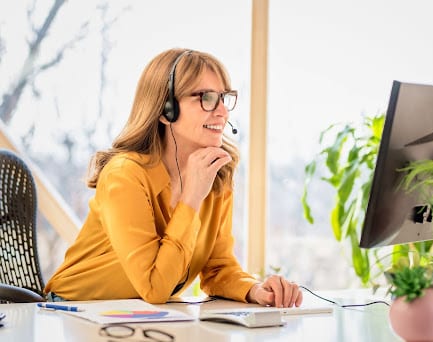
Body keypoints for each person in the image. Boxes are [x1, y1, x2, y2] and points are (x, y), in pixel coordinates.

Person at [44, 48, 303, 307]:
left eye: (224, 97)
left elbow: (217, 268)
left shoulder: (216, 173)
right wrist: (191, 198)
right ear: (165, 110)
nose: (223, 111)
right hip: (73, 311)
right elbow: (155, 287)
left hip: (146, 317)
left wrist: (256, 290)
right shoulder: (125, 175)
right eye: (206, 97)